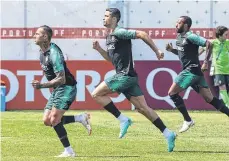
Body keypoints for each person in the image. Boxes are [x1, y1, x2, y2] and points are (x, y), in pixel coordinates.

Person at [92, 8, 176, 152]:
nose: (103, 18)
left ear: (114, 19)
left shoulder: (120, 32)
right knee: (144, 109)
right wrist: (99, 50)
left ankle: (123, 119)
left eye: (106, 16)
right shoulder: (110, 36)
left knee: (96, 94)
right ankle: (168, 133)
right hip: (128, 76)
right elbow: (112, 60)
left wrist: (157, 50)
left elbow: (142, 34)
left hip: (125, 76)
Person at [32, 25, 92, 157]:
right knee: (47, 120)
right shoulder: (42, 52)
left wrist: (41, 85)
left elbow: (61, 78)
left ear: (45, 37)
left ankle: (69, 151)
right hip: (58, 89)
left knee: (54, 119)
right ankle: (80, 118)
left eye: (37, 33)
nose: (34, 36)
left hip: (67, 87)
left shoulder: (54, 53)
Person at [166, 16, 229, 133]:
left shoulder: (191, 36)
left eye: (179, 23)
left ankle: (188, 120)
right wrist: (172, 50)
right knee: (210, 99)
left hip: (191, 70)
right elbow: (182, 54)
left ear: (185, 25)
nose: (176, 24)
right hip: (196, 73)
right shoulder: (180, 37)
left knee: (172, 93)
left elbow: (208, 44)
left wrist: (205, 62)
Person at [200, 26, 229, 107]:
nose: (227, 36)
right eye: (225, 34)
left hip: (228, 69)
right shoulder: (212, 42)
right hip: (218, 70)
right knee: (222, 87)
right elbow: (202, 50)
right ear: (219, 35)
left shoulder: (228, 42)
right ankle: (228, 105)